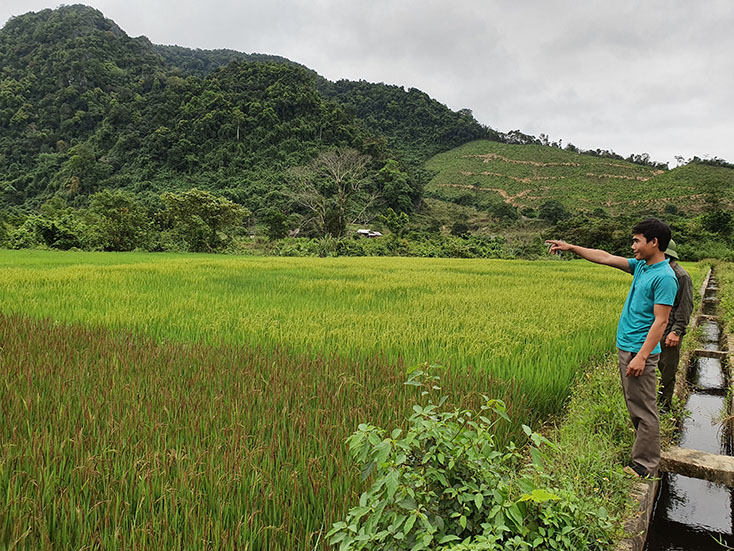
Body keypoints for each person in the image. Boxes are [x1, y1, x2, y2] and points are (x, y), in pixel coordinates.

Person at [546, 218, 678, 478]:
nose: (632, 246)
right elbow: (604, 257)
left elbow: (661, 322)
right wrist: (571, 247)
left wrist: (641, 357)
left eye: (637, 241)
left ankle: (644, 466)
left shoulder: (664, 277)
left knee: (644, 409)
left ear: (654, 242)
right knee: (635, 405)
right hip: (628, 347)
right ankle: (640, 455)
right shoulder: (642, 266)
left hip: (639, 352)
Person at [658, 240, 693, 412]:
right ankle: (653, 401)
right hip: (656, 328)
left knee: (667, 369)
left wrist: (676, 331)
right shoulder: (660, 274)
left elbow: (685, 306)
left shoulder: (681, 276)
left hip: (669, 331)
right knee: (654, 367)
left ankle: (665, 405)